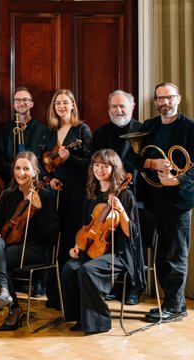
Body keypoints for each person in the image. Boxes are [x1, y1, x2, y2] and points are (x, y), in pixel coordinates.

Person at [62, 149, 144, 334]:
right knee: (69, 267)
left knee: (87, 270)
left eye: (105, 166)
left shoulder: (125, 196)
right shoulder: (92, 193)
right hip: (93, 249)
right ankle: (81, 317)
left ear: (114, 169)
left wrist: (121, 210)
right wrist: (77, 246)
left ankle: (99, 322)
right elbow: (87, 226)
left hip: (119, 253)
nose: (99, 169)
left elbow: (132, 234)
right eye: (96, 165)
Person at [130, 83, 194, 323]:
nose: (164, 102)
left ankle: (175, 306)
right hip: (152, 199)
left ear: (178, 98)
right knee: (160, 254)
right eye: (160, 98)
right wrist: (152, 164)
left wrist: (176, 180)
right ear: (155, 102)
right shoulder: (149, 126)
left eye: (169, 97)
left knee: (175, 254)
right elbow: (134, 158)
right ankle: (169, 303)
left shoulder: (190, 127)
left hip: (177, 201)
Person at [0, 151, 58, 331]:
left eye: (26, 169)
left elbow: (51, 233)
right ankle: (5, 292)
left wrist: (39, 209)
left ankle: (13, 308)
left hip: (34, 249)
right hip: (9, 244)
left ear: (35, 172)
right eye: (18, 168)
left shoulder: (46, 196)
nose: (21, 173)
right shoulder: (9, 195)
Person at [40, 89, 92, 308]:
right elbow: (43, 162)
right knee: (54, 240)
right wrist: (48, 179)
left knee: (72, 238)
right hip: (54, 192)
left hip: (75, 192)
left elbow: (89, 162)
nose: (62, 106)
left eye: (66, 102)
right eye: (58, 103)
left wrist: (69, 157)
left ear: (73, 105)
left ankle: (71, 296)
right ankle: (54, 294)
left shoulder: (82, 129)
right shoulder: (50, 131)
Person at [91, 90, 143, 304]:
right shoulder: (102, 132)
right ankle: (112, 285)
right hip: (107, 195)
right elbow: (96, 164)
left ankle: (135, 286)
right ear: (109, 108)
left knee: (131, 238)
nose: (118, 110)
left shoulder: (143, 129)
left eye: (123, 106)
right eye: (114, 106)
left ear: (132, 107)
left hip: (136, 194)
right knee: (110, 242)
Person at [0, 86, 46, 185]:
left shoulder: (42, 130)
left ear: (31, 104)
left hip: (36, 182)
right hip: (10, 182)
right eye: (18, 100)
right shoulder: (4, 130)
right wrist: (16, 172)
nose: (21, 103)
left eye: (25, 100)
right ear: (13, 104)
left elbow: (44, 159)